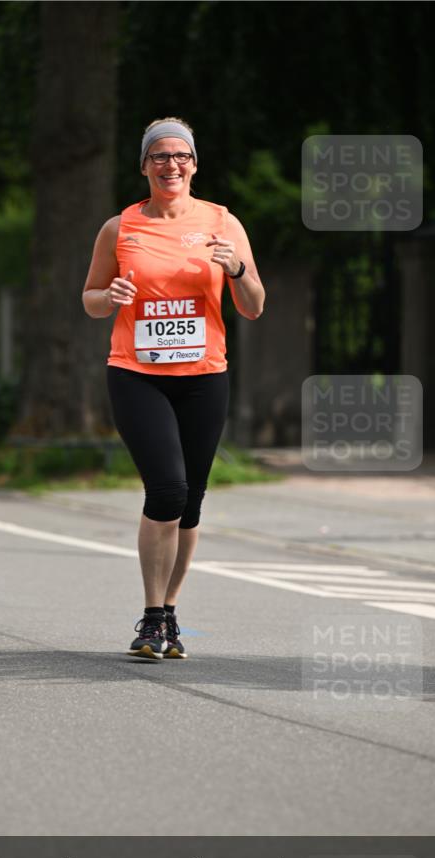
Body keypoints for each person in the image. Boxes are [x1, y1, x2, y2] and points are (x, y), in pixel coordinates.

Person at [82, 117, 265, 660]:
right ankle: (151, 616)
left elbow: (254, 305)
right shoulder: (121, 227)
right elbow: (89, 298)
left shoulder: (221, 222)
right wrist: (109, 295)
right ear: (144, 166)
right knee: (165, 490)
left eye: (179, 155)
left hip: (204, 376)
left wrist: (236, 269)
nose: (170, 165)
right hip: (137, 373)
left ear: (193, 164)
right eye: (159, 156)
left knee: (190, 503)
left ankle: (170, 613)